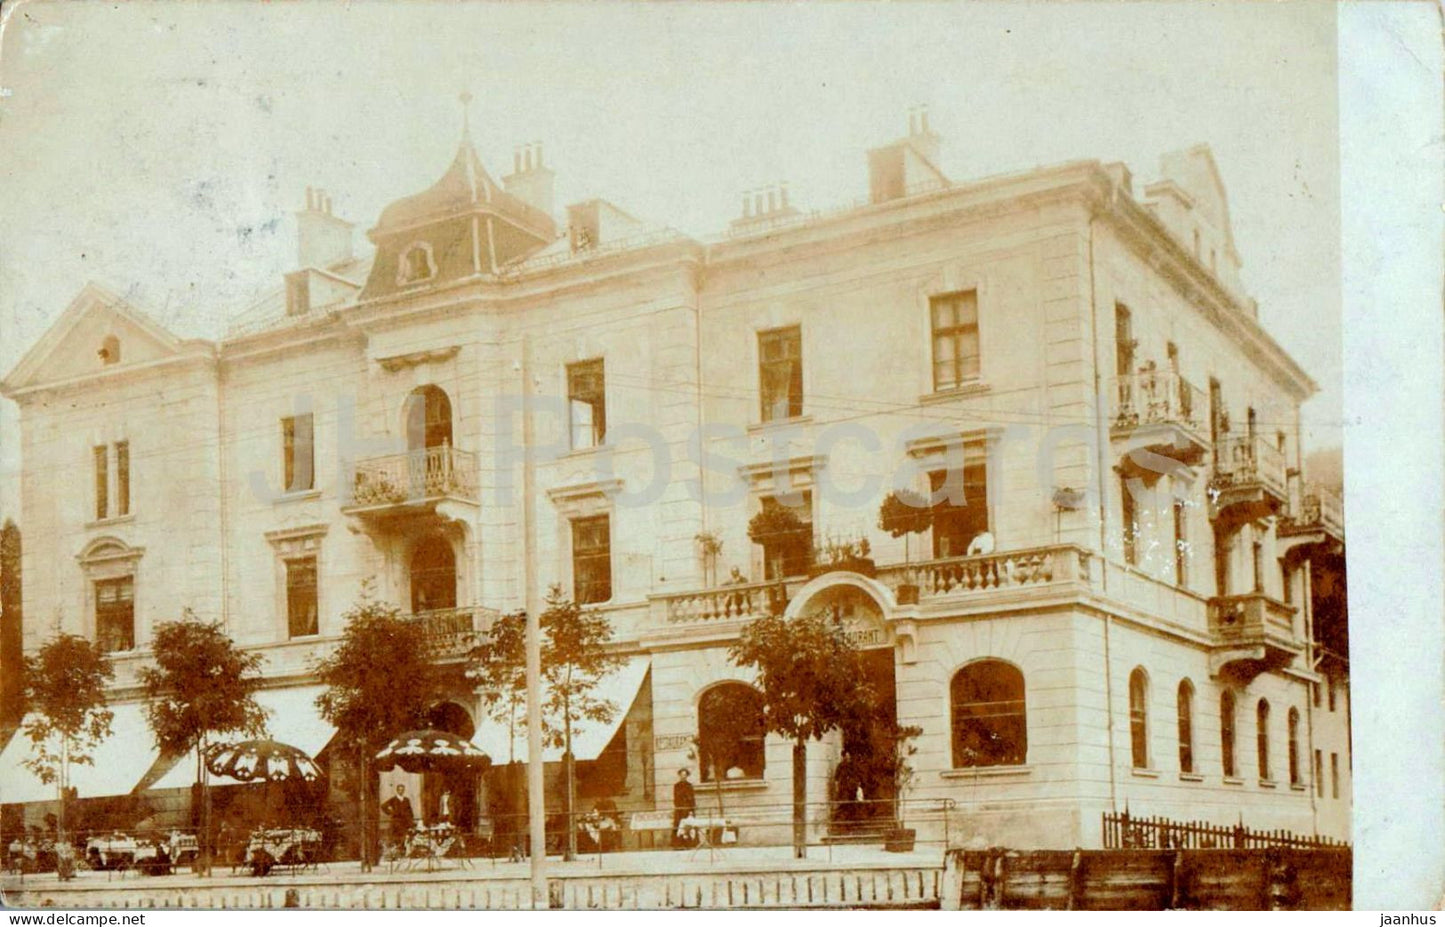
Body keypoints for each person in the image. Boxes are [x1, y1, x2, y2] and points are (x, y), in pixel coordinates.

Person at [381, 784, 415, 855]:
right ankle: (397, 853)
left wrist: (411, 819)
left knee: (404, 836)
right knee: (397, 837)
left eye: (402, 790)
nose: (401, 791)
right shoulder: (393, 799)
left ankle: (402, 852)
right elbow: (383, 806)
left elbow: (410, 810)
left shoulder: (406, 800)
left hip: (405, 821)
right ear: (397, 790)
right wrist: (391, 812)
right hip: (396, 821)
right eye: (399, 790)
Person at [671, 768, 696, 848]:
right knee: (679, 826)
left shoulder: (689, 786)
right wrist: (678, 806)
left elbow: (692, 798)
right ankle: (678, 844)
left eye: (685, 775)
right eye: (682, 775)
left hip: (688, 809)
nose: (683, 776)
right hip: (680, 809)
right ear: (679, 776)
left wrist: (691, 809)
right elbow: (676, 798)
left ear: (687, 776)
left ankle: (689, 843)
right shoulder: (676, 786)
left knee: (689, 825)